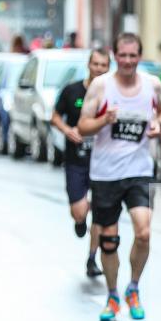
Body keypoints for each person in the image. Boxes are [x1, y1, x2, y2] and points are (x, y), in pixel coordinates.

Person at [78, 32, 161, 321]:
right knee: (109, 240)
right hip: (105, 173)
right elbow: (82, 127)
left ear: (139, 56)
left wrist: (158, 124)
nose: (128, 61)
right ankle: (113, 294)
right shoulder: (100, 86)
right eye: (123, 56)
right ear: (115, 55)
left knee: (143, 231)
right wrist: (104, 120)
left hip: (139, 170)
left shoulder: (152, 85)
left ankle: (133, 287)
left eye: (133, 56)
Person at [51, 48, 111, 277]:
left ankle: (92, 258)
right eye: (95, 64)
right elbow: (54, 116)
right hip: (76, 160)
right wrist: (68, 130)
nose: (99, 69)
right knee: (80, 212)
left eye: (103, 65)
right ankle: (79, 221)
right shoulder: (72, 90)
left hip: (103, 162)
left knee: (100, 212)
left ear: (108, 68)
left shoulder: (111, 93)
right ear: (89, 64)